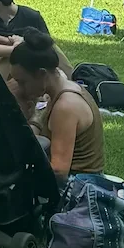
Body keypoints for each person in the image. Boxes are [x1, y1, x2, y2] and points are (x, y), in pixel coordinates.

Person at [9, 29, 105, 179]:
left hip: (78, 188)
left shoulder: (65, 106)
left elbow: (59, 171)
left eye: (23, 82)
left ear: (41, 74)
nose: (21, 89)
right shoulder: (60, 84)